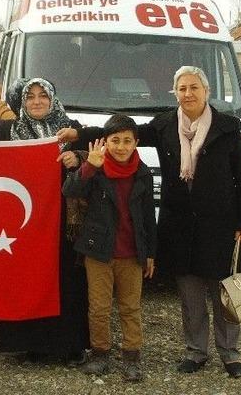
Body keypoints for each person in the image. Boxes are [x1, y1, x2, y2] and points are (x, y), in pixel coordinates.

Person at [62, 66, 241, 378]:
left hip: (220, 226)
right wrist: (80, 134)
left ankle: (230, 354)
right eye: (182, 89)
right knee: (191, 297)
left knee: (224, 295)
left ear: (207, 92)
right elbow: (123, 132)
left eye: (194, 88)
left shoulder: (228, 129)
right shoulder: (165, 124)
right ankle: (196, 351)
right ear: (175, 93)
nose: (188, 94)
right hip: (180, 225)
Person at [0, 78, 90, 364]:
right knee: (26, 279)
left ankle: (69, 345)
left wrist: (77, 156)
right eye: (30, 97)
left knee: (67, 281)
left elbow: (97, 154)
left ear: (52, 99)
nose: (37, 101)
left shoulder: (71, 129)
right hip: (23, 225)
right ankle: (30, 344)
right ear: (23, 102)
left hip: (64, 222)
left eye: (42, 96)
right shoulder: (10, 129)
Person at [62, 114, 156, 382]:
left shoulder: (143, 173)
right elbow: (69, 190)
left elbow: (149, 217)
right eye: (115, 140)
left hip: (131, 254)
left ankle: (132, 358)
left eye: (127, 141)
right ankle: (100, 353)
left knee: (130, 307)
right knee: (99, 307)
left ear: (136, 143)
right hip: (98, 252)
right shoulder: (97, 168)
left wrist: (150, 252)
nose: (121, 146)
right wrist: (88, 167)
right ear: (106, 142)